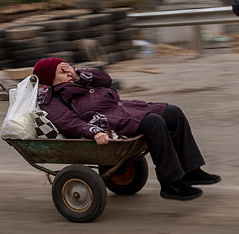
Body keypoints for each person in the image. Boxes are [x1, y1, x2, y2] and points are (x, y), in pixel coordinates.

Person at [32, 58, 221, 201]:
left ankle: (191, 171)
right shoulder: (52, 99)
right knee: (153, 122)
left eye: (67, 67)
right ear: (50, 77)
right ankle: (171, 184)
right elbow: (68, 122)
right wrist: (94, 131)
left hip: (126, 108)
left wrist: (78, 74)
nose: (67, 72)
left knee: (173, 113)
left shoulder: (80, 81)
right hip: (106, 120)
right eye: (61, 70)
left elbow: (106, 79)